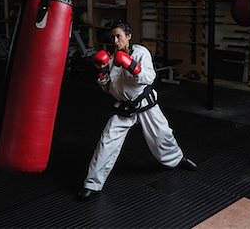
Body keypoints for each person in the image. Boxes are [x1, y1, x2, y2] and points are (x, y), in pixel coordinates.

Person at [78, 21, 197, 200]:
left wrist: (131, 65)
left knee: (163, 134)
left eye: (119, 36)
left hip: (145, 105)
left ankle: (177, 159)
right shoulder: (111, 59)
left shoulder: (141, 52)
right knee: (106, 143)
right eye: (113, 37)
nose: (116, 40)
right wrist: (101, 75)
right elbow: (108, 88)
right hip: (124, 108)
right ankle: (92, 184)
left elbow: (150, 77)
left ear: (128, 36)